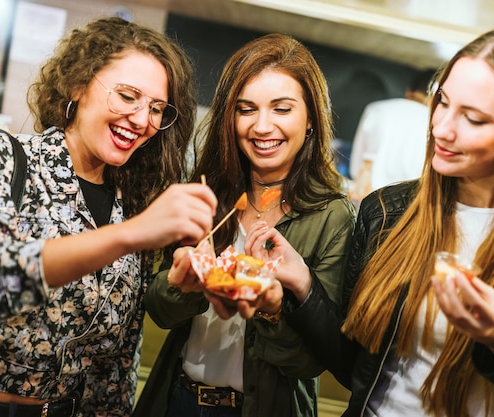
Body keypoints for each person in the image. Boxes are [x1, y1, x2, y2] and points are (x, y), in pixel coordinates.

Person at [246, 25, 494, 417]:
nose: (440, 128)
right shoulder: (387, 212)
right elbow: (355, 368)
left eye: (473, 119)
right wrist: (304, 285)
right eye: (441, 102)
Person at [0, 17, 217, 417]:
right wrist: (127, 236)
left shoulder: (129, 203)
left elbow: (114, 364)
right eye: (127, 95)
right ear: (78, 85)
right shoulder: (1, 158)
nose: (141, 120)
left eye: (156, 108)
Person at [133, 33, 356, 417]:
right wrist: (185, 285)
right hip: (179, 400)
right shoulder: (206, 191)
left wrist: (271, 308)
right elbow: (159, 311)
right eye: (246, 109)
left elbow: (315, 360)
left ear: (310, 121)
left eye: (282, 109)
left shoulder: (332, 216)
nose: (262, 126)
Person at [348, 67, 437, 203]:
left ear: (408, 91)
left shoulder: (376, 109)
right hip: (407, 204)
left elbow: (356, 164)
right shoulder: (435, 125)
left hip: (366, 198)